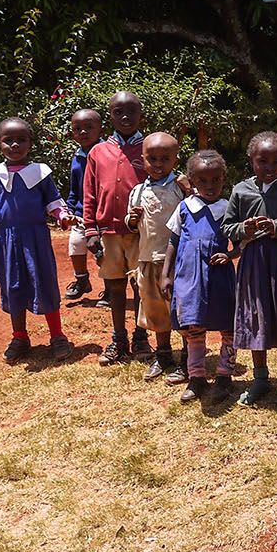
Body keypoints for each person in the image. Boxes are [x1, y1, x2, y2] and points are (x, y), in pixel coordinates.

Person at [0, 117, 75, 363]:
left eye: (21, 140)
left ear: (30, 143)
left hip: (36, 239)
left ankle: (57, 335)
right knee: (13, 286)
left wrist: (63, 217)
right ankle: (19, 337)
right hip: (7, 243)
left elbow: (54, 202)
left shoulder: (40, 173)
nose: (15, 145)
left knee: (45, 282)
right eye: (8, 141)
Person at [224, 132, 277, 408]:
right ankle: (260, 377)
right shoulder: (240, 190)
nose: (269, 167)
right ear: (251, 160)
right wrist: (243, 228)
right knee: (256, 315)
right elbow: (227, 226)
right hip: (253, 263)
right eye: (263, 161)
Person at [160, 150, 237, 404]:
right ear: (191, 182)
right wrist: (165, 274)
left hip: (219, 277)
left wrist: (230, 255)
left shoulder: (228, 209)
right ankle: (197, 377)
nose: (210, 186)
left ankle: (225, 375)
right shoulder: (184, 208)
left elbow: (240, 243)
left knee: (227, 325)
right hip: (189, 277)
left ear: (223, 179)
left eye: (216, 180)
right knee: (193, 326)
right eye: (203, 181)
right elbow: (173, 240)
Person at [83, 91, 152, 365]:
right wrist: (90, 230)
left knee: (141, 286)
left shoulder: (150, 148)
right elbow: (89, 194)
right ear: (109, 115)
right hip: (108, 232)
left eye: (132, 111)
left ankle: (141, 337)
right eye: (118, 112)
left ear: (141, 115)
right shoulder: (98, 152)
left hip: (140, 232)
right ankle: (118, 339)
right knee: (114, 286)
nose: (125, 117)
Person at [126, 132, 186, 382]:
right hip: (148, 259)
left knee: (182, 311)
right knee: (156, 311)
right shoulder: (138, 191)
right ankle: (163, 355)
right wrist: (132, 219)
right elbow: (131, 225)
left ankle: (187, 359)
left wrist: (190, 189)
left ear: (175, 159)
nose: (159, 164)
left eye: (165, 158)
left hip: (178, 262)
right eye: (152, 158)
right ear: (143, 160)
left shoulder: (180, 188)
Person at [63, 109, 102, 302]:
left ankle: (111, 288)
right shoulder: (77, 158)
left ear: (100, 129)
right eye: (77, 129)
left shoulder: (106, 153)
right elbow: (74, 188)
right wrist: (69, 209)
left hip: (103, 213)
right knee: (76, 246)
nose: (83, 132)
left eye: (89, 128)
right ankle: (82, 280)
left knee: (102, 253)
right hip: (81, 213)